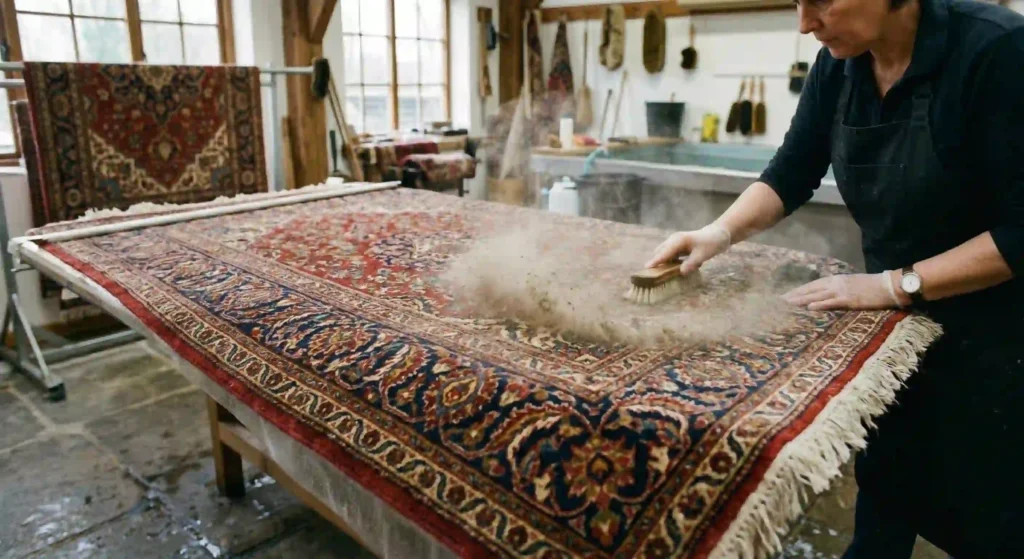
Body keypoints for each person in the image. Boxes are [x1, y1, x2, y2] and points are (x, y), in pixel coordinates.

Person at [646, 0, 1024, 557]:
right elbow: (792, 171)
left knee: (989, 520)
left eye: (821, 1)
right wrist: (717, 233)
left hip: (998, 342)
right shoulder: (842, 60)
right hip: (896, 339)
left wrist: (895, 286)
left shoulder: (997, 50)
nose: (804, 23)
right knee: (885, 500)